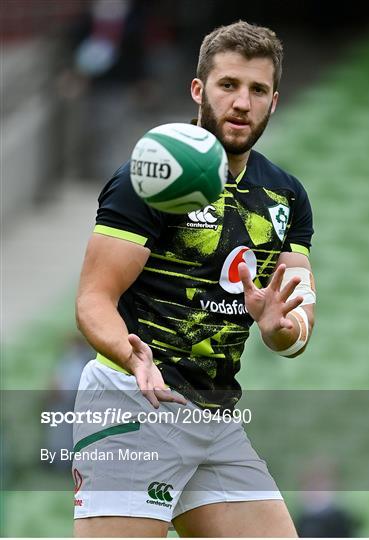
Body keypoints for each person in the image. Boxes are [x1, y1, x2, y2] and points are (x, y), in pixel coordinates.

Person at [73, 20, 316, 537]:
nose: (242, 103)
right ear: (198, 90)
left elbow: (298, 321)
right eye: (229, 85)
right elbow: (94, 299)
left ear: (274, 101)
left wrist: (280, 330)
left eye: (257, 90)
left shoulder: (286, 196)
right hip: (133, 403)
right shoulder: (151, 175)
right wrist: (129, 352)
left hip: (215, 416)